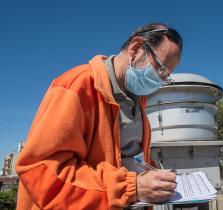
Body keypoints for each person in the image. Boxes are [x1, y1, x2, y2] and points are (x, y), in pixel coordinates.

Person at [15, 23, 183, 210]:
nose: (160, 80)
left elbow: (128, 158)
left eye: (166, 76)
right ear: (136, 48)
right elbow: (41, 172)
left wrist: (155, 178)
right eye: (160, 69)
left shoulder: (138, 99)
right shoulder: (76, 86)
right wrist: (130, 187)